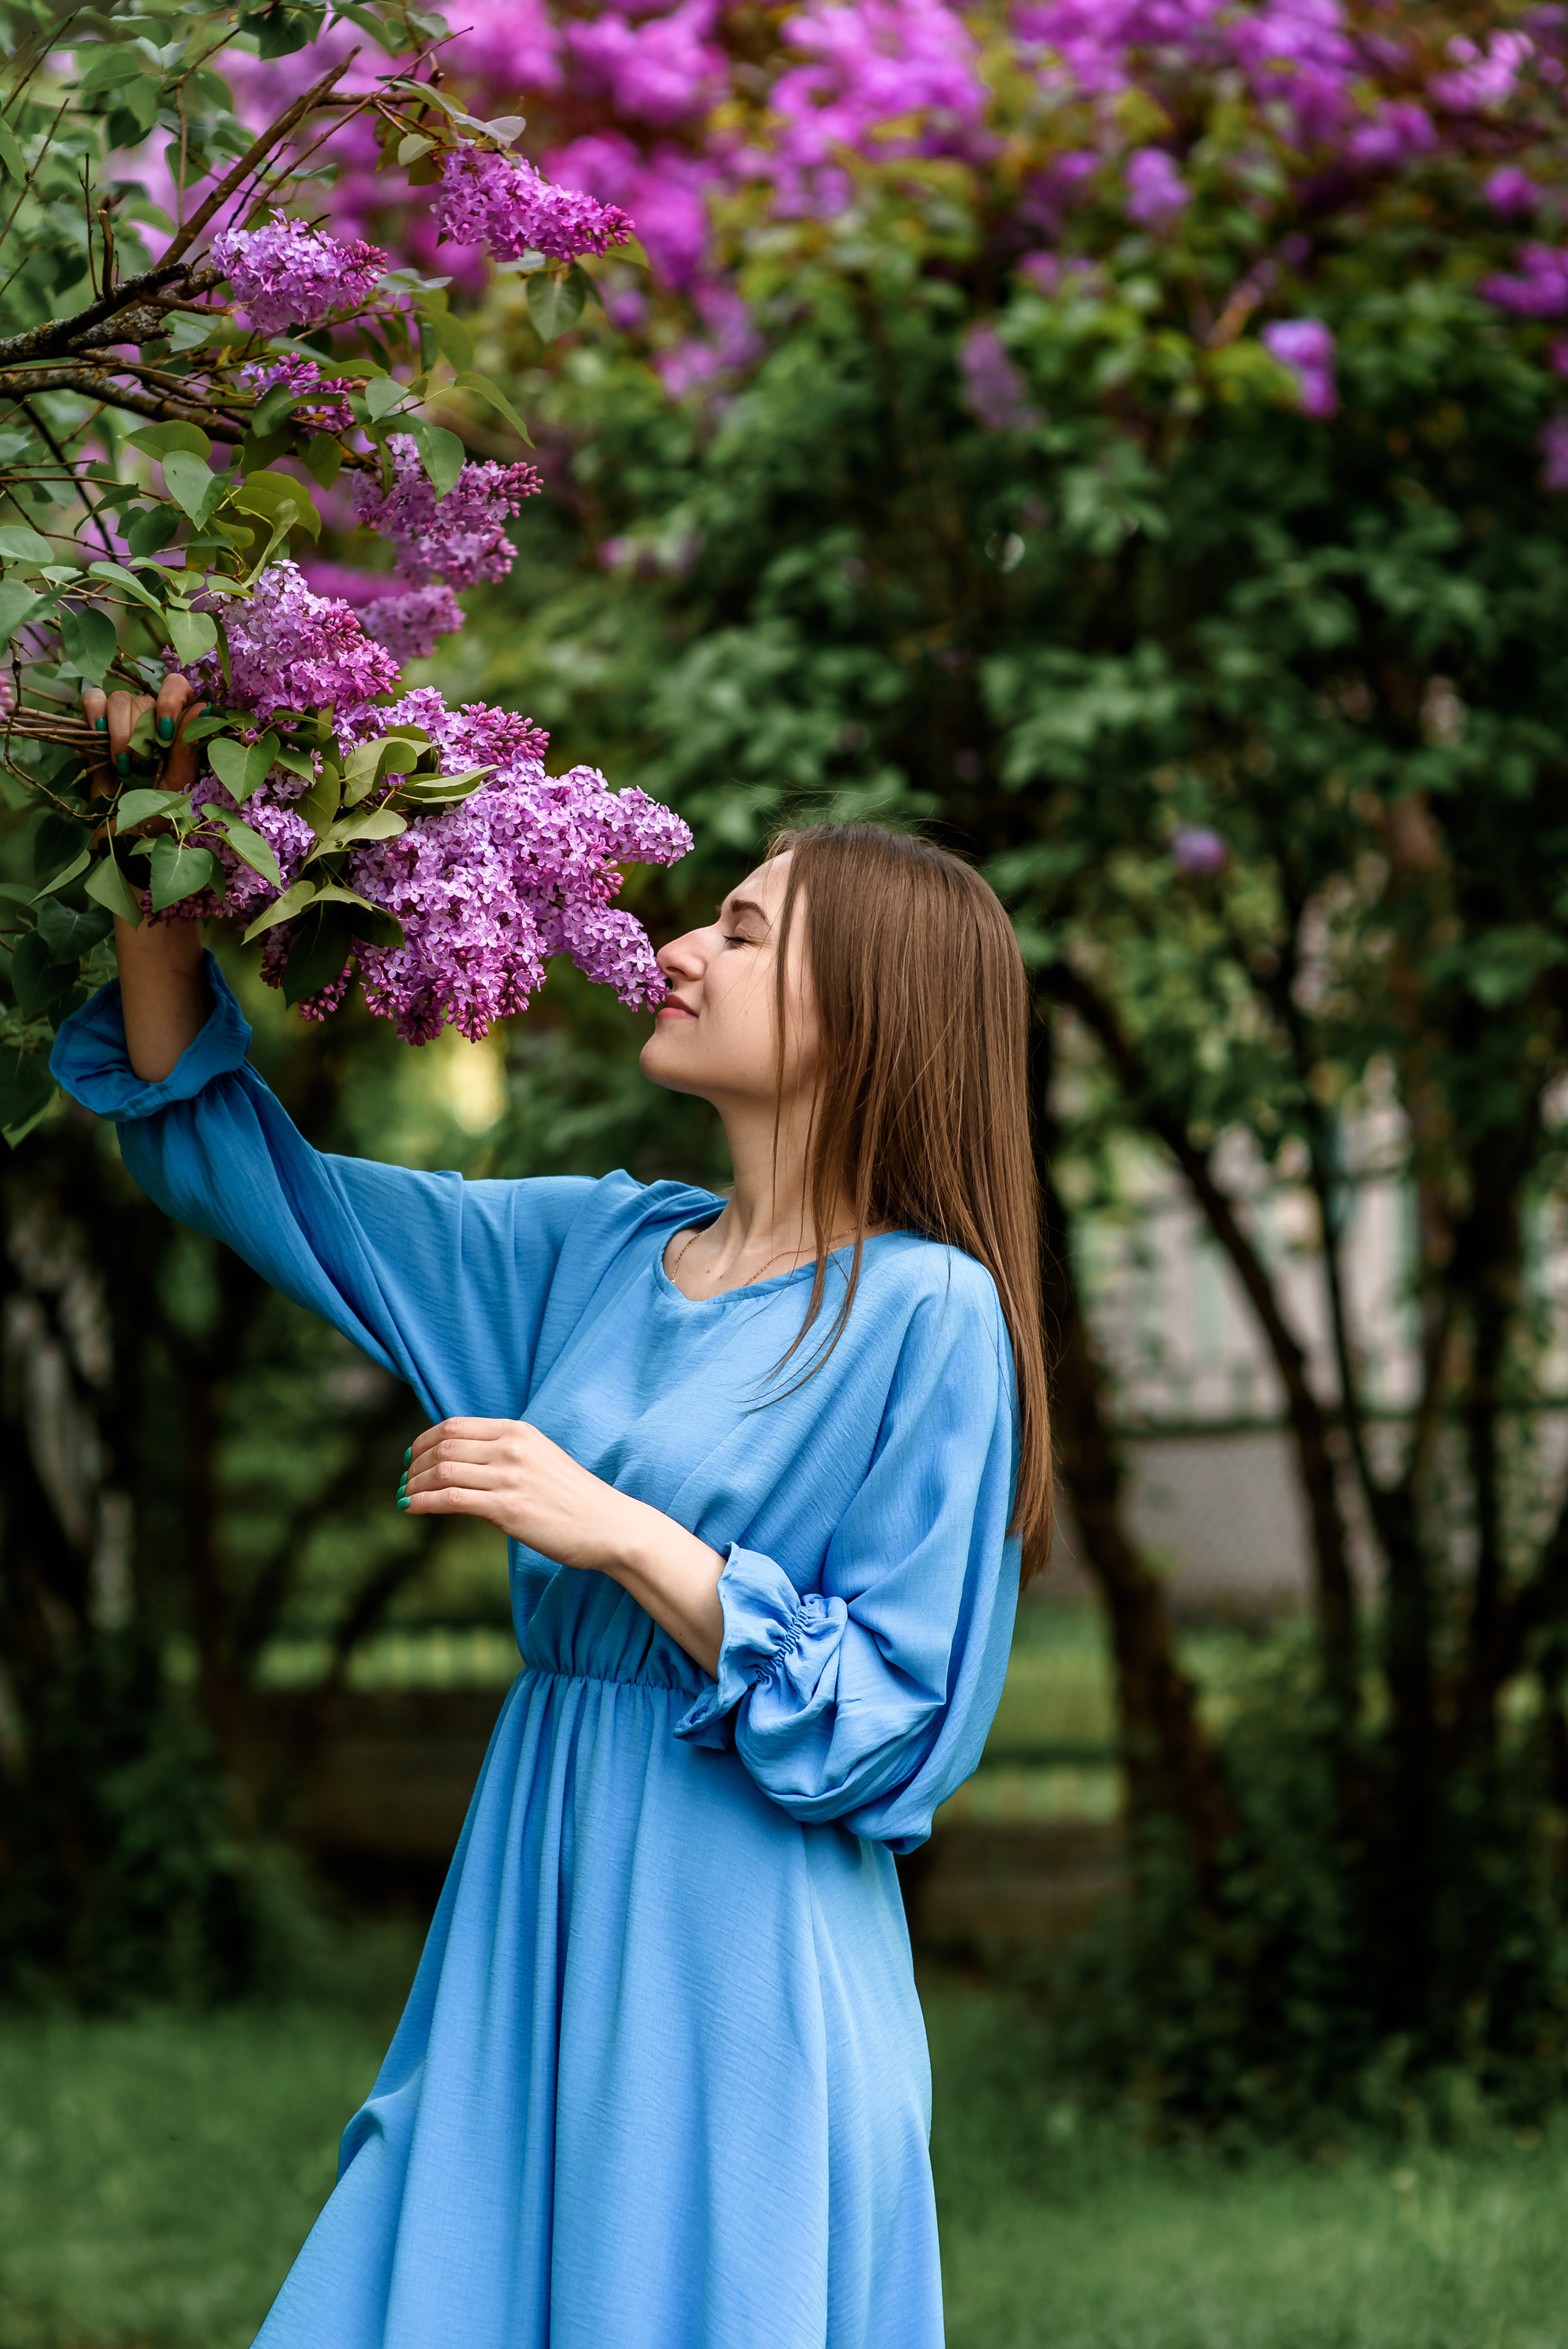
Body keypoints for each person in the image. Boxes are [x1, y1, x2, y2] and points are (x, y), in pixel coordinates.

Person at [53, 673, 1053, 2349]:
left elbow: (896, 1726)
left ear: (868, 1014)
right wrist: (155, 834)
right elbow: (254, 1173)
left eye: (744, 932)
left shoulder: (927, 1314)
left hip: (741, 1958)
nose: (680, 947)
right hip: (535, 1891)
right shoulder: (595, 1252)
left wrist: (623, 1531)